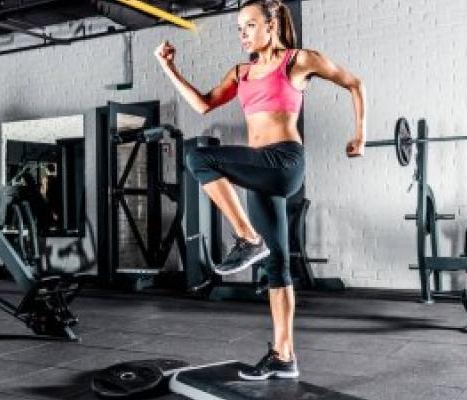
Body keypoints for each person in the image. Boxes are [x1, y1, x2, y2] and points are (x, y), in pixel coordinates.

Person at [154, 0, 366, 381]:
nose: (243, 34)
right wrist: (170, 68)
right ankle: (284, 355)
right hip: (259, 172)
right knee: (277, 265)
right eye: (239, 28)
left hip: (284, 163)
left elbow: (354, 83)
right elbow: (203, 105)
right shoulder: (242, 72)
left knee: (198, 156)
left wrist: (360, 136)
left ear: (271, 26)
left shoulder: (298, 61)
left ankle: (247, 236)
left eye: (249, 26)